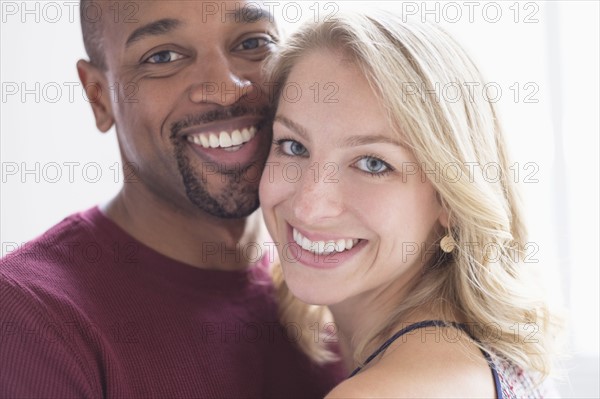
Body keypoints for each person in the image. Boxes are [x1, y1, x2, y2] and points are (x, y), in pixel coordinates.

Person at [0, 1, 345, 397]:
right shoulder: (29, 316)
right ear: (99, 96)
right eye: (163, 56)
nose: (226, 89)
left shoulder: (339, 281)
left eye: (252, 42)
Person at [259, 9, 562, 398]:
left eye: (372, 164)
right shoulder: (476, 349)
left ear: (450, 199)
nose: (309, 206)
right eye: (293, 146)